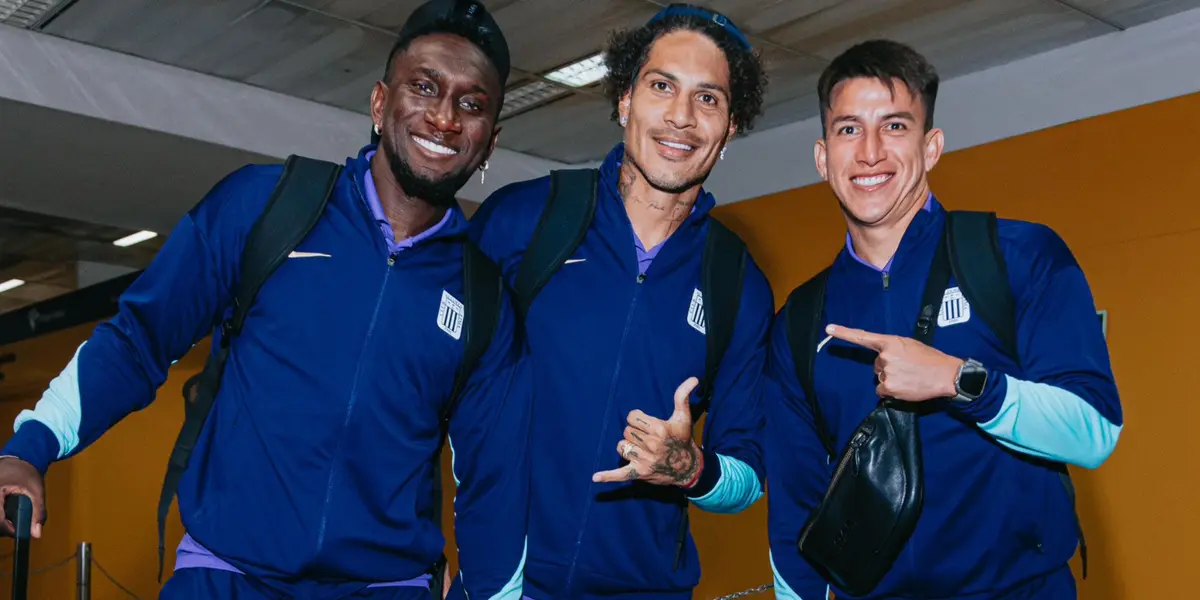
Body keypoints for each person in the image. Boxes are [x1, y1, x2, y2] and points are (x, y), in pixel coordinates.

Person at [0, 1, 530, 598]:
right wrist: (29, 449)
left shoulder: (483, 298)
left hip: (385, 586)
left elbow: (494, 483)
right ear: (380, 104)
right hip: (227, 577)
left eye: (471, 105)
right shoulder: (264, 208)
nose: (444, 118)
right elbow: (137, 341)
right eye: (424, 87)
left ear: (490, 142)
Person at [763, 39, 1123, 599]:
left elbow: (1095, 431)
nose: (870, 152)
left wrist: (960, 380)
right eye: (849, 129)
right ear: (822, 156)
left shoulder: (1016, 256)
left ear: (931, 147)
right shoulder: (801, 321)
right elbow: (794, 516)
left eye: (895, 126)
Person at [468, 4, 773, 599]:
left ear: (730, 127)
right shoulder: (524, 220)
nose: (681, 116)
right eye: (662, 86)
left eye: (708, 98)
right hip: (502, 585)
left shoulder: (738, 282)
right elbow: (421, 399)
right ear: (625, 100)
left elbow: (748, 477)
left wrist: (690, 468)